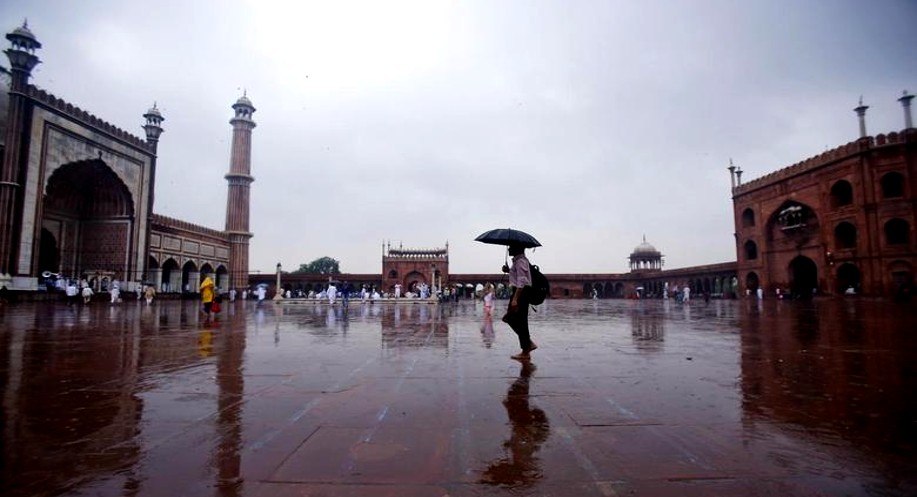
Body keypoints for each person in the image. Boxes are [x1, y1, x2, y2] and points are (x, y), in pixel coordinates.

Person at [502, 243, 537, 360]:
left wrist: (515, 299)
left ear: (517, 248)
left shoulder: (520, 261)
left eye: (511, 247)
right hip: (519, 292)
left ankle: (526, 349)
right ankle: (527, 345)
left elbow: (522, 281)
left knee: (514, 319)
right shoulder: (518, 261)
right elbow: (519, 276)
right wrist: (508, 271)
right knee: (515, 319)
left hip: (520, 293)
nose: (509, 248)